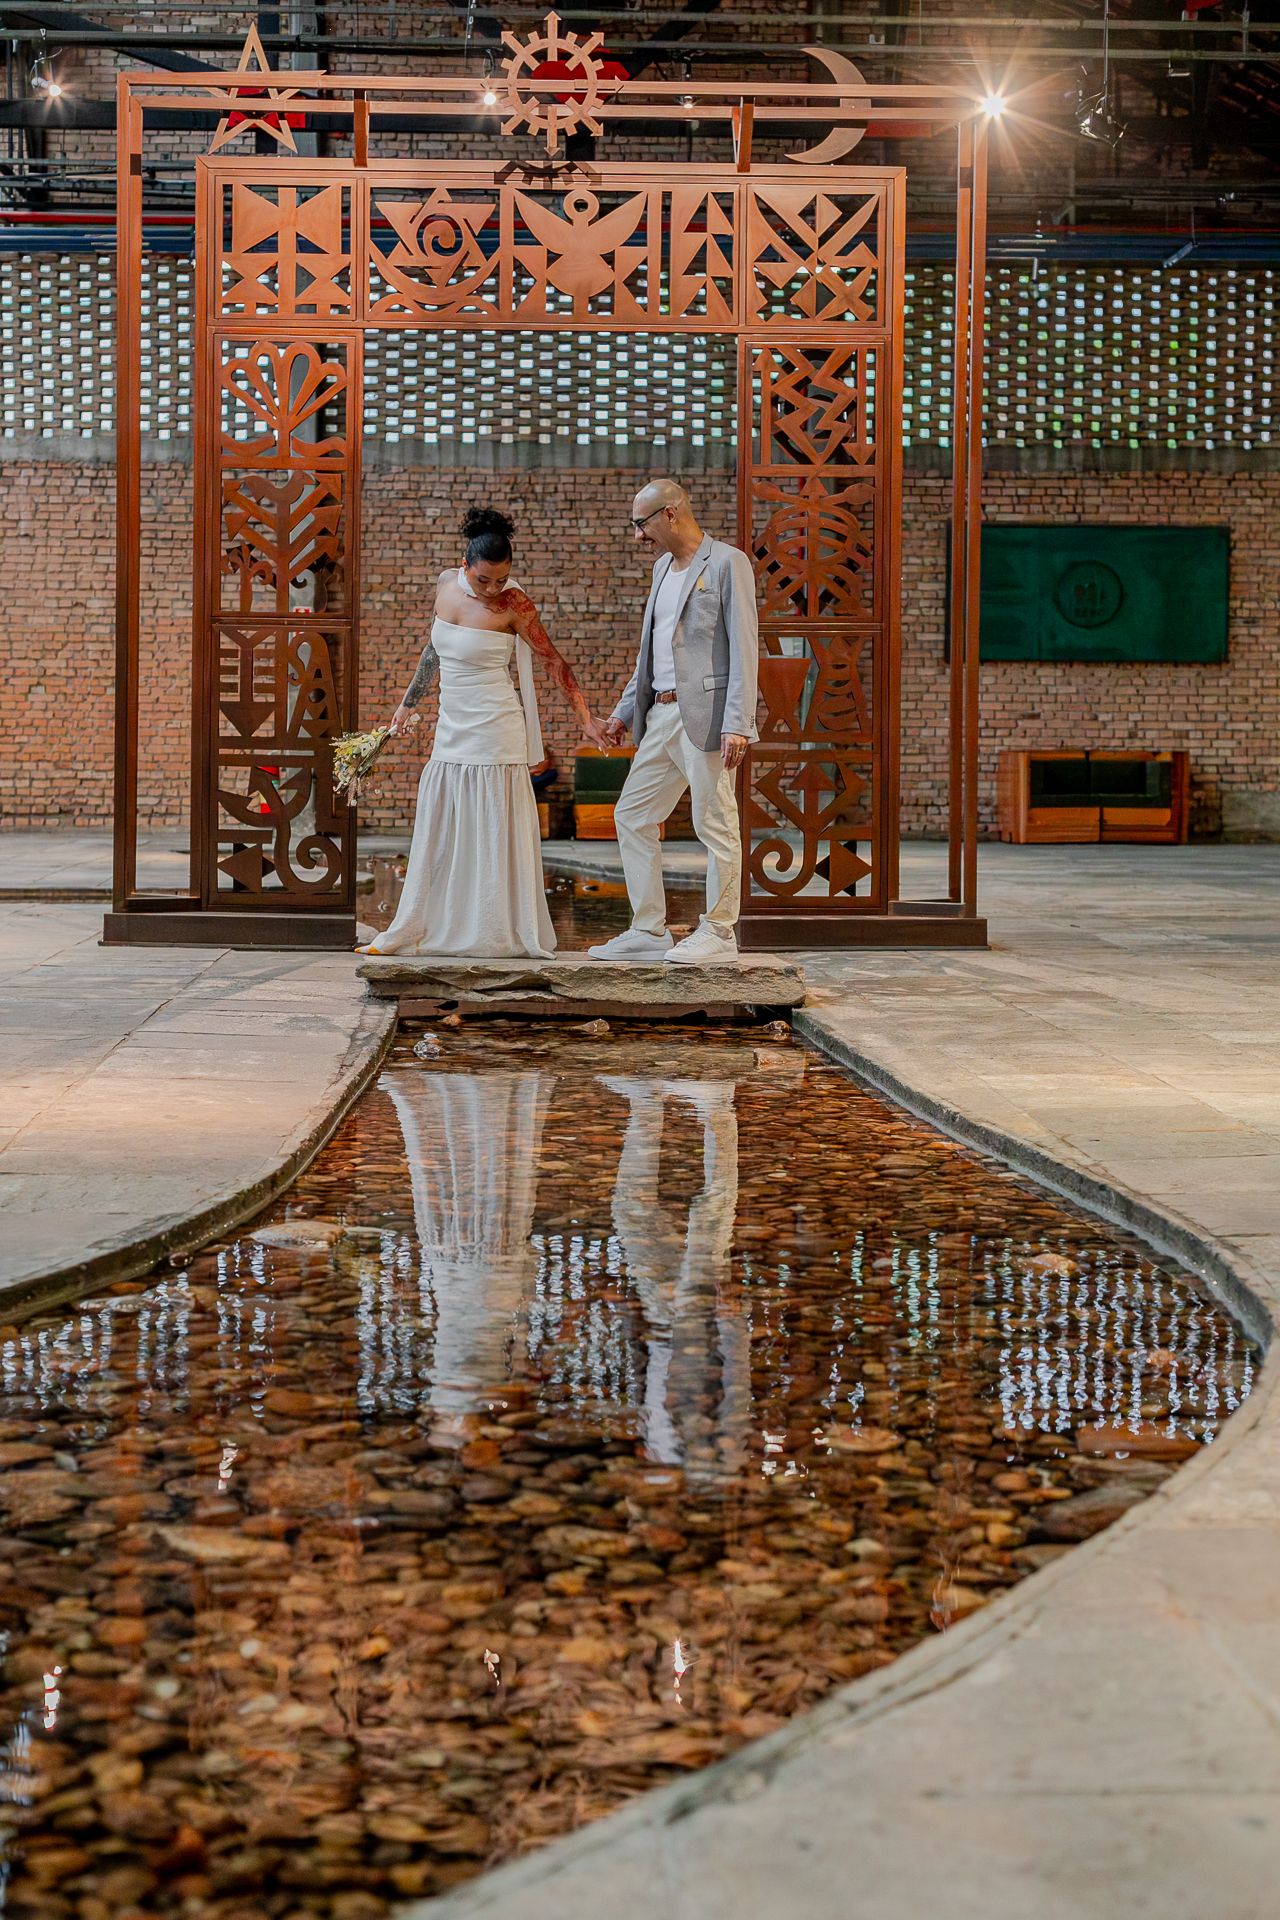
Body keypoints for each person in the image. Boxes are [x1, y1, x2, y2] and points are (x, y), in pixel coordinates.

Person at [361, 507, 608, 959]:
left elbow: (554, 661)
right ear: (464, 566)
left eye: (502, 579)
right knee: (445, 816)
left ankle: (495, 929)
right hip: (453, 723)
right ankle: (430, 924)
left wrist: (586, 717)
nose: (494, 589)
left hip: (496, 723)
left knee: (494, 820)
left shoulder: (516, 606)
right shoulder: (444, 588)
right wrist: (406, 704)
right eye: (484, 581)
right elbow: (433, 651)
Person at [588, 479, 759, 966]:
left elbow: (744, 647)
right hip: (659, 715)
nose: (637, 537)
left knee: (715, 821)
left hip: (706, 718)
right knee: (632, 815)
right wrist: (623, 712)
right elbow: (651, 654)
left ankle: (721, 931)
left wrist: (738, 722)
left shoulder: (728, 563)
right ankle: (648, 929)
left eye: (641, 525)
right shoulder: (663, 567)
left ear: (670, 514)